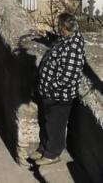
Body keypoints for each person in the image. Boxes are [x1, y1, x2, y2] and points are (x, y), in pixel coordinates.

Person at [31, 13, 86, 167]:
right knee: (47, 122)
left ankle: (52, 153)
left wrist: (50, 85)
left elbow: (68, 78)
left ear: (64, 28)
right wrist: (48, 36)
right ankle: (44, 147)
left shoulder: (74, 48)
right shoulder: (67, 39)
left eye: (59, 25)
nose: (58, 27)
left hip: (59, 96)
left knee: (56, 125)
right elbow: (58, 44)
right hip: (49, 93)